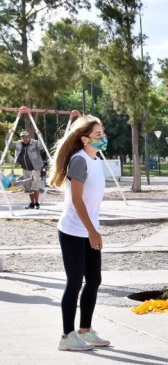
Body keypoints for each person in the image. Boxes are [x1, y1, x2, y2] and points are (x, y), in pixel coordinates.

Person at [49, 115, 110, 351]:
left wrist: (93, 230)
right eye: (98, 135)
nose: (103, 137)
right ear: (85, 139)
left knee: (94, 279)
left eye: (102, 133)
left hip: (88, 230)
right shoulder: (79, 160)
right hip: (73, 231)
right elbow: (76, 200)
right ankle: (67, 337)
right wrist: (92, 231)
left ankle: (85, 330)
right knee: (74, 281)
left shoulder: (95, 160)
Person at [13, 130, 45, 209]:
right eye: (23, 137)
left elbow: (42, 146)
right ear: (21, 138)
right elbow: (9, 144)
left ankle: (37, 203)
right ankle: (32, 203)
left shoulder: (35, 142)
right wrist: (10, 133)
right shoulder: (18, 143)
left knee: (35, 186)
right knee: (28, 187)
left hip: (35, 167)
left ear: (29, 137)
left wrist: (40, 136)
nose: (25, 139)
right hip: (25, 168)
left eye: (26, 137)